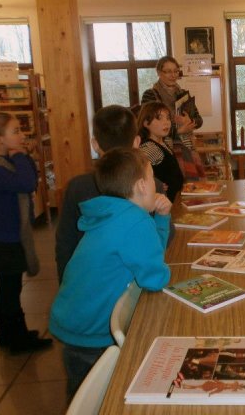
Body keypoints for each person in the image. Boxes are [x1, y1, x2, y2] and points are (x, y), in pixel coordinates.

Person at [49, 147, 172, 401]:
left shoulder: (113, 213)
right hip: (94, 330)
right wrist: (158, 222)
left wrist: (161, 219)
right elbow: (156, 278)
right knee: (98, 399)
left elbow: (150, 255)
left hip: (75, 321)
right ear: (141, 186)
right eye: (152, 178)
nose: (156, 185)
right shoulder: (135, 221)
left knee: (79, 394)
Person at [55, 105, 172, 283]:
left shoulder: (76, 187)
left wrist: (66, 283)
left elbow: (65, 243)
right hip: (133, 285)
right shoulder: (149, 185)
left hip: (87, 285)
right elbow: (162, 242)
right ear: (136, 142)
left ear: (95, 144)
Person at [0, 112, 53, 353]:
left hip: (9, 236)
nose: (22, 135)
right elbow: (26, 183)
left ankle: (10, 331)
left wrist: (22, 156)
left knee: (10, 286)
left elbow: (31, 175)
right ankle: (14, 336)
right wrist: (20, 155)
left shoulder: (6, 161)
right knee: (10, 288)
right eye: (15, 131)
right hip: (4, 238)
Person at [141, 55, 205, 180]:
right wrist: (178, 130)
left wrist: (190, 121)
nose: (173, 75)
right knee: (172, 184)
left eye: (176, 71)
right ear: (159, 73)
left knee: (192, 185)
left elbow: (199, 120)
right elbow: (150, 124)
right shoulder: (150, 94)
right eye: (168, 71)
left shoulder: (183, 94)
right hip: (162, 148)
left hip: (186, 146)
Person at [137, 101, 184, 202]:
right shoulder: (149, 147)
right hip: (164, 204)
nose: (166, 122)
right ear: (146, 123)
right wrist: (155, 183)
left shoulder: (164, 142)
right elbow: (137, 173)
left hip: (174, 200)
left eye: (168, 118)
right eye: (159, 118)